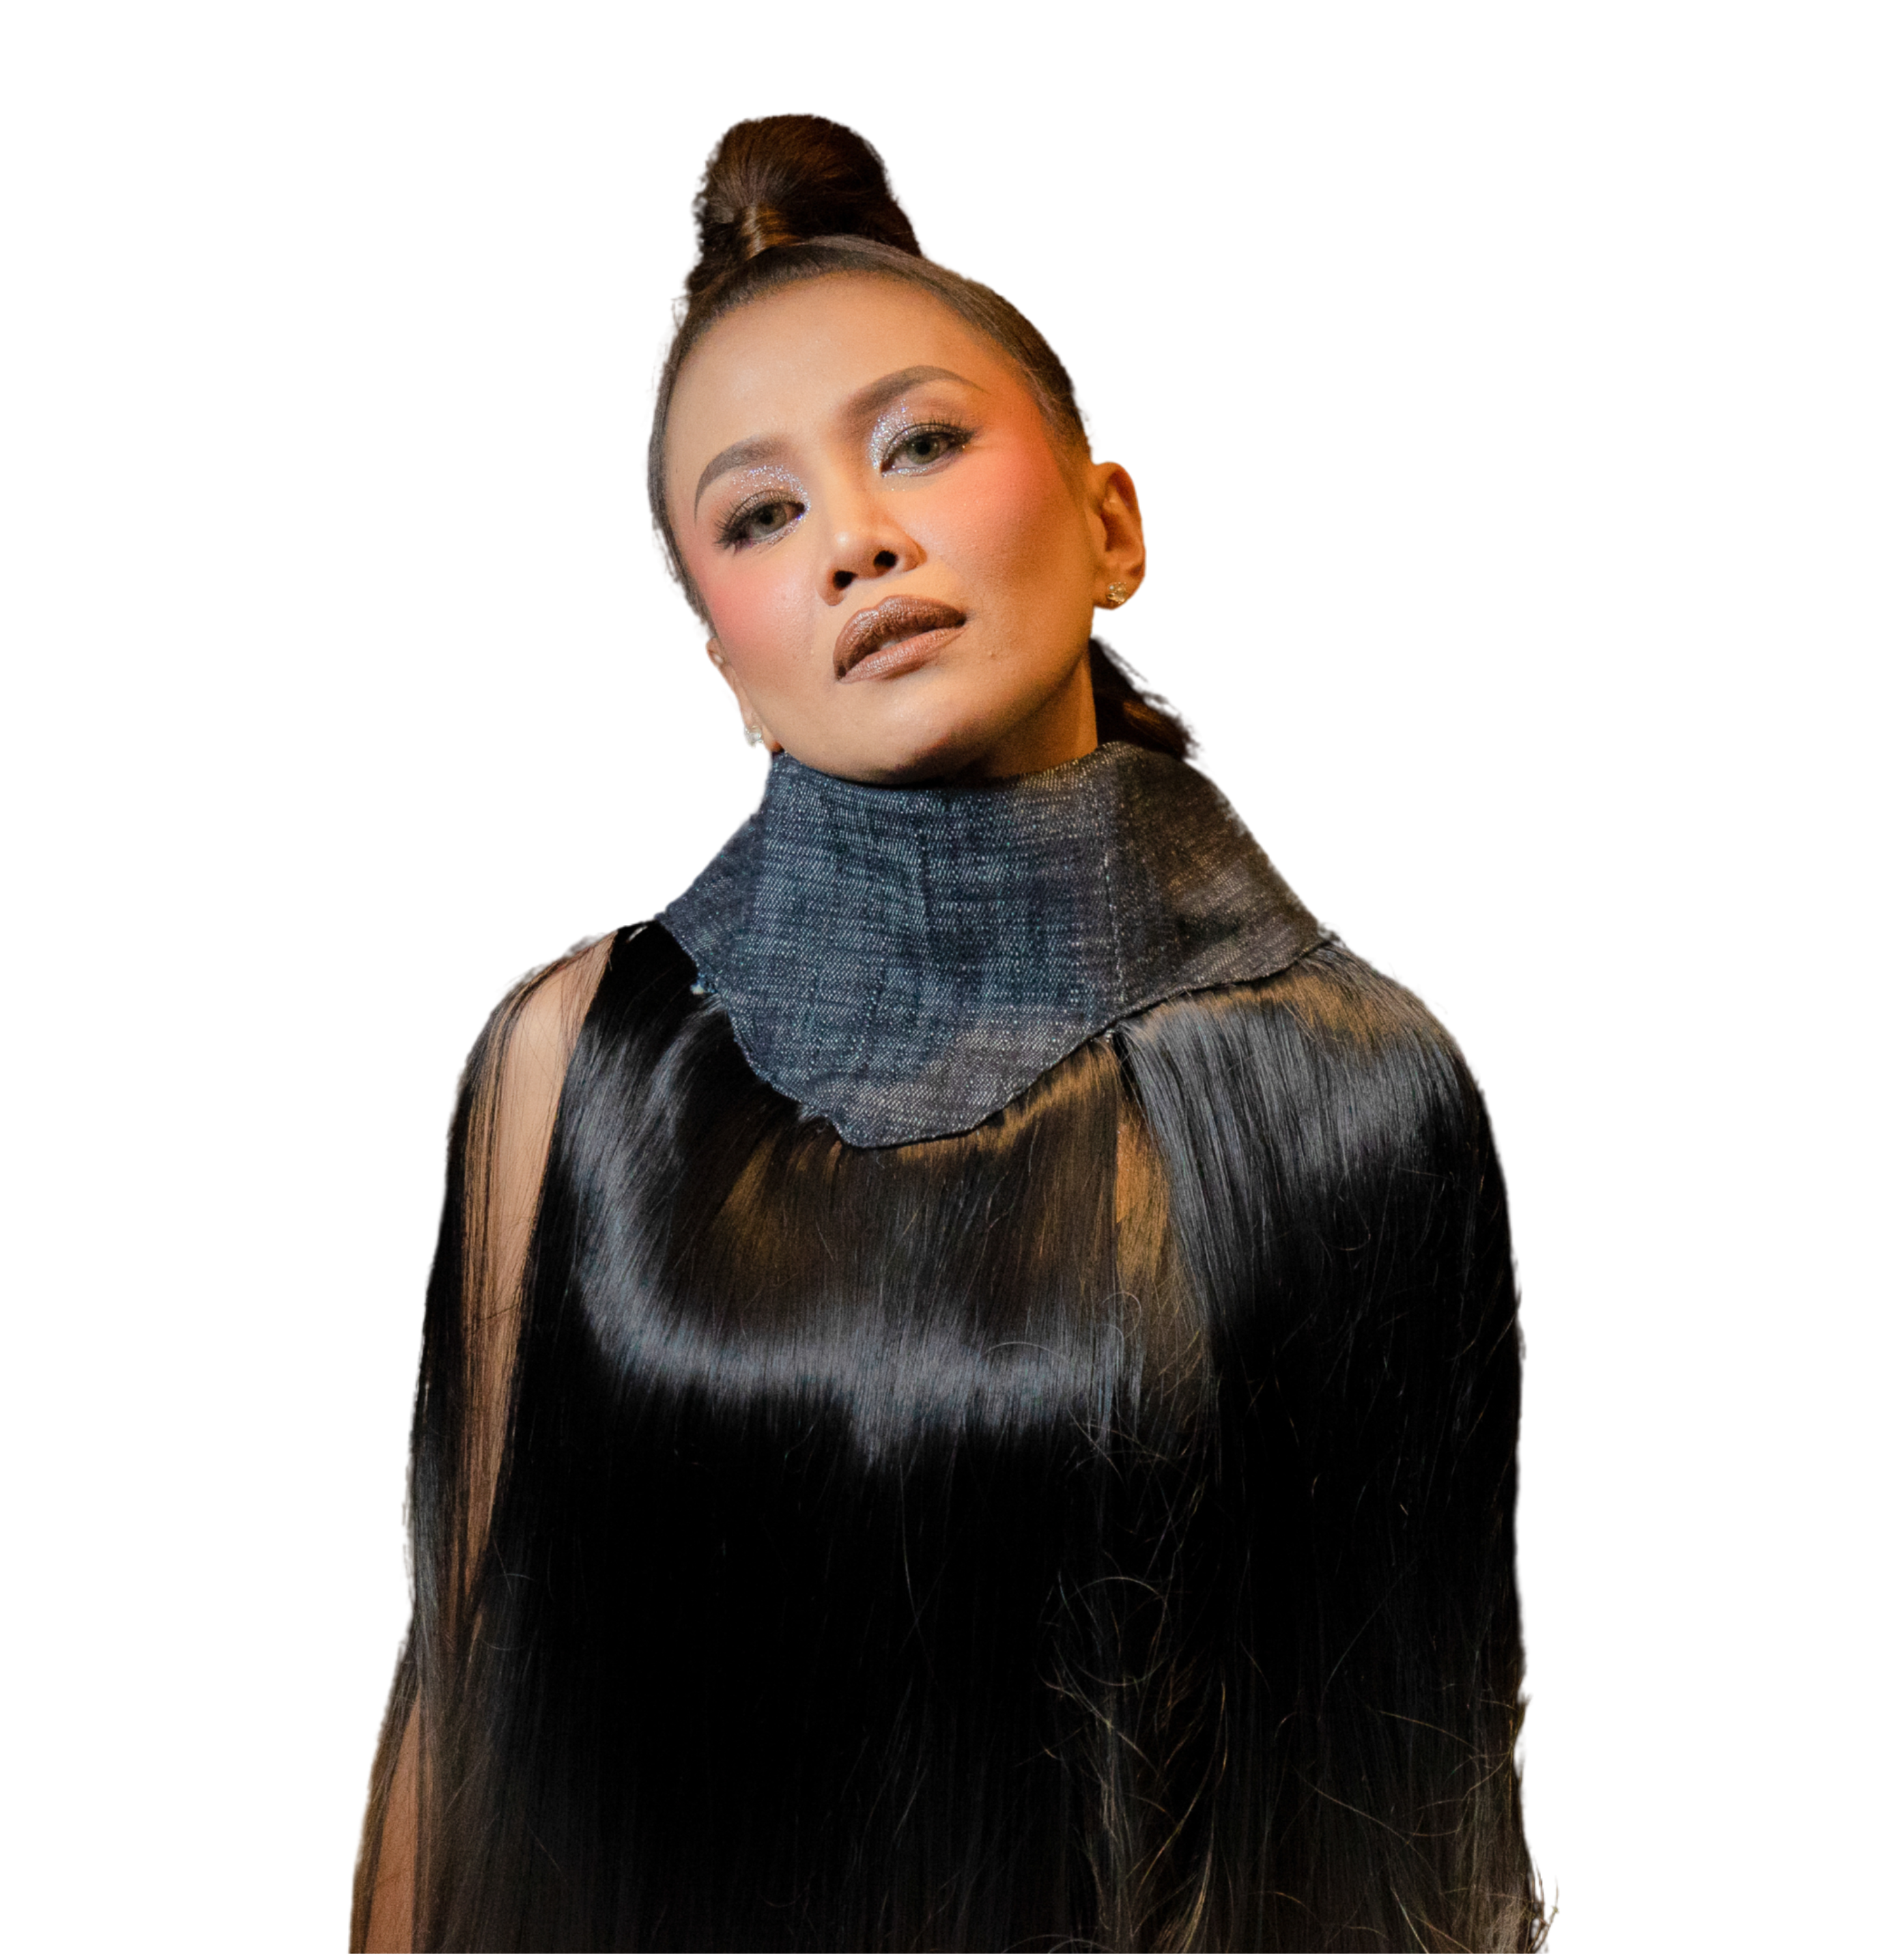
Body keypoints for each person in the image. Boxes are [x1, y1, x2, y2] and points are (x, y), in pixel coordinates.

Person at [348, 111, 1556, 1953]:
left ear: (1113, 524)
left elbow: (1406, 1803)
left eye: (920, 441)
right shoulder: (574, 1058)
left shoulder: (1358, 1084)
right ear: (724, 668)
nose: (859, 538)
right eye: (760, 514)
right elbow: (460, 1699)